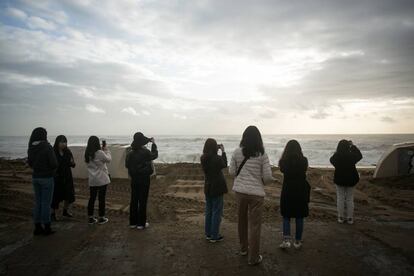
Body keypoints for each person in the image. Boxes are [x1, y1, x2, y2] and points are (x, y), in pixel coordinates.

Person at [229, 126, 273, 266]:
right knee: (255, 226)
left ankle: (243, 249)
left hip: (240, 193)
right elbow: (267, 177)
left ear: (244, 137)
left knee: (242, 221)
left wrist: (241, 178)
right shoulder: (262, 154)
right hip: (256, 195)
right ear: (258, 138)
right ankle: (253, 258)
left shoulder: (236, 152)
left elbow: (231, 172)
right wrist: (259, 182)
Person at [278, 140, 310, 250]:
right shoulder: (304, 160)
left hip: (288, 190)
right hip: (301, 190)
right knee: (299, 216)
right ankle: (297, 241)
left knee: (286, 215)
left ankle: (286, 241)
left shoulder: (283, 161)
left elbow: (282, 169)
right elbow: (304, 169)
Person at [27, 127, 58, 235]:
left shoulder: (31, 147)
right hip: (47, 178)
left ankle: (37, 227)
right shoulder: (47, 147)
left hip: (35, 177)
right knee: (46, 203)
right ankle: (47, 227)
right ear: (43, 135)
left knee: (38, 202)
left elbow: (30, 163)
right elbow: (54, 163)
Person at [125, 132, 158, 230]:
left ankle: (132, 223)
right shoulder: (145, 152)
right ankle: (141, 224)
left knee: (134, 200)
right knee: (142, 201)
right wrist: (154, 144)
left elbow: (126, 165)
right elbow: (154, 155)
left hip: (134, 179)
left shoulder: (130, 153)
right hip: (144, 179)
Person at [200, 138, 228, 243]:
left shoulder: (203, 158)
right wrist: (223, 151)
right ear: (215, 147)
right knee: (217, 212)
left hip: (208, 186)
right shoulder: (217, 158)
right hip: (217, 187)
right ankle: (215, 235)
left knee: (209, 211)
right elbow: (224, 164)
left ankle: (208, 234)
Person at [330, 140, 362, 225]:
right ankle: (350, 219)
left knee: (340, 198)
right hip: (351, 179)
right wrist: (353, 146)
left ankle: (340, 217)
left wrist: (337, 152)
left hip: (339, 179)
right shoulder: (352, 156)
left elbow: (331, 160)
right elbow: (360, 156)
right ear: (348, 147)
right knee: (349, 198)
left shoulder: (337, 156)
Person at [84, 136, 111, 225]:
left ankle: (90, 218)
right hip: (102, 179)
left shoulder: (87, 153)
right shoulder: (99, 152)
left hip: (92, 179)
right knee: (101, 198)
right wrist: (106, 150)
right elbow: (108, 159)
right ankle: (101, 217)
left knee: (92, 198)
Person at [51, 135, 76, 221]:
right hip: (57, 177)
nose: (63, 144)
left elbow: (72, 164)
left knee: (69, 194)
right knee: (56, 196)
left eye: (65, 142)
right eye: (61, 142)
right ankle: (53, 213)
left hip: (67, 175)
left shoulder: (68, 152)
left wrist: (72, 163)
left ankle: (65, 211)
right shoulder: (53, 151)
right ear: (57, 142)